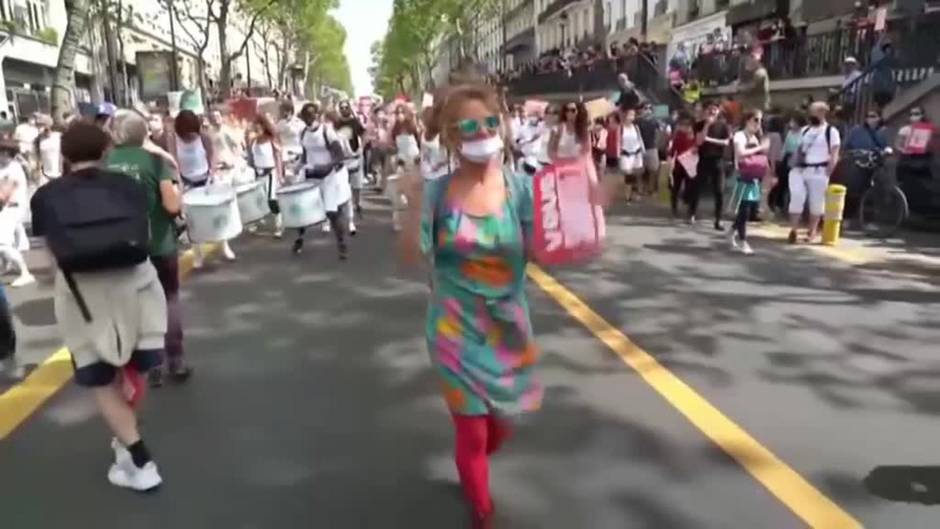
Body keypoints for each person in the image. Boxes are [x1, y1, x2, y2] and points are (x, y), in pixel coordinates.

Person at [399, 83, 543, 529]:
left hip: (508, 329)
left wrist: (582, 211)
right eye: (470, 126)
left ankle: (472, 461)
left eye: (491, 123)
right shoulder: (439, 194)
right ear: (451, 137)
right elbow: (411, 255)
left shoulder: (521, 188)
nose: (483, 133)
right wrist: (412, 206)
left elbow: (539, 250)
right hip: (454, 330)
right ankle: (482, 511)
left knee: (497, 425)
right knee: (473, 430)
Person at [31, 121, 167, 491]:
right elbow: (146, 238)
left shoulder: (45, 196)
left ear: (63, 156)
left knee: (102, 379)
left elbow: (44, 265)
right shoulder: (129, 187)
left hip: (81, 299)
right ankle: (128, 444)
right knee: (139, 369)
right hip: (138, 288)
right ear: (106, 151)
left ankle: (139, 459)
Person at [105, 110, 189, 388]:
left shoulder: (104, 164)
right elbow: (171, 206)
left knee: (138, 305)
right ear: (143, 133)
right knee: (169, 299)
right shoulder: (154, 161)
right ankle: (175, 359)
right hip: (160, 244)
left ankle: (150, 362)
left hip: (122, 248)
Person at [168, 109, 236, 265]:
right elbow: (173, 162)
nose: (190, 136)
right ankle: (197, 252)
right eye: (186, 133)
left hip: (206, 179)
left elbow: (212, 155)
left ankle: (224, 245)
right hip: (187, 182)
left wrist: (212, 174)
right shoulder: (173, 139)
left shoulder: (204, 137)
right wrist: (178, 182)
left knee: (215, 214)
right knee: (192, 219)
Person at [295, 102, 349, 259]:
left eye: (310, 116)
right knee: (304, 210)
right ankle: (299, 239)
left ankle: (341, 243)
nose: (307, 119)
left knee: (332, 212)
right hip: (310, 175)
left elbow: (339, 155)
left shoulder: (327, 131)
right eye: (305, 116)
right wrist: (298, 167)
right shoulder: (303, 133)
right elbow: (305, 155)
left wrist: (328, 166)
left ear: (317, 115)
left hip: (327, 177)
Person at [788, 102, 841, 243]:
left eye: (813, 112)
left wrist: (829, 171)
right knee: (797, 197)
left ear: (822, 113)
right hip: (802, 169)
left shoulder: (831, 131)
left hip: (819, 170)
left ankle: (812, 231)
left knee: (816, 203)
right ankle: (793, 230)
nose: (810, 115)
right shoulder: (805, 130)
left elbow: (835, 153)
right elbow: (798, 149)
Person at [731, 110, 770, 255]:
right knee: (744, 210)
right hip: (742, 176)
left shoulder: (756, 137)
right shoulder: (740, 135)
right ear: (747, 120)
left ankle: (732, 230)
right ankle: (743, 241)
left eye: (760, 120)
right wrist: (760, 148)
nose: (758, 123)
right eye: (755, 119)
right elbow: (740, 153)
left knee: (747, 209)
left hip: (754, 177)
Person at [0, 140, 35, 287]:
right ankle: (7, 266)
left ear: (6, 153)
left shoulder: (13, 169)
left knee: (2, 243)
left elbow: (3, 195)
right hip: (6, 208)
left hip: (12, 208)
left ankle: (25, 273)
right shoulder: (4, 167)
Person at [246, 113, 285, 237]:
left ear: (264, 126)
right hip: (258, 174)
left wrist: (280, 174)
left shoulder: (272, 140)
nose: (256, 128)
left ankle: (279, 224)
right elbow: (251, 158)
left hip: (271, 173)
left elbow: (278, 157)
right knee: (258, 199)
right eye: (255, 125)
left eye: (259, 125)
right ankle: (255, 221)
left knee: (271, 199)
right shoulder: (253, 141)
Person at [695, 102, 731, 230]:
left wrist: (709, 140)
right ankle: (692, 212)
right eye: (710, 109)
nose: (712, 112)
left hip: (718, 161)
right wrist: (707, 125)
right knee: (697, 186)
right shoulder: (699, 124)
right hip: (703, 160)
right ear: (705, 111)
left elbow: (726, 142)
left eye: (715, 109)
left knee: (719, 191)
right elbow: (699, 141)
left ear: (718, 111)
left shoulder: (723, 126)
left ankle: (718, 219)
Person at [334, 100, 367, 233]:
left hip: (355, 156)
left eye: (346, 107)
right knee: (344, 185)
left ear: (349, 108)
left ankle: (357, 202)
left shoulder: (355, 122)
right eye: (341, 107)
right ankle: (347, 206)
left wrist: (361, 148)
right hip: (343, 158)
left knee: (356, 184)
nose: (344, 109)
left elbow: (364, 134)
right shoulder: (337, 123)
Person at [895, 106, 936, 211]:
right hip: (907, 159)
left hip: (923, 160)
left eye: (917, 114)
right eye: (912, 114)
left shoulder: (929, 128)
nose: (914, 117)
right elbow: (898, 145)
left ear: (922, 115)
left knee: (924, 184)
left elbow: (934, 144)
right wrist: (905, 150)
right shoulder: (905, 129)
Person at [669, 113, 698, 222]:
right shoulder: (678, 136)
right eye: (683, 125)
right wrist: (670, 163)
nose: (685, 128)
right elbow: (672, 151)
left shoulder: (696, 137)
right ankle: (674, 207)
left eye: (687, 125)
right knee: (675, 187)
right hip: (679, 165)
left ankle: (691, 211)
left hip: (692, 166)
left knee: (691, 188)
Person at [619, 107, 647, 203]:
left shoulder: (635, 127)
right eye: (630, 115)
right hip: (625, 153)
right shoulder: (621, 128)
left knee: (637, 173)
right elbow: (618, 141)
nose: (632, 117)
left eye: (633, 115)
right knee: (628, 173)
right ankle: (628, 195)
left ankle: (637, 192)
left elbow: (640, 139)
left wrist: (643, 151)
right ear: (625, 116)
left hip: (636, 152)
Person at [637, 103, 661, 196]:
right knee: (639, 171)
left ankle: (650, 189)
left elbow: (661, 132)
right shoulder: (638, 121)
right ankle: (640, 189)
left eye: (649, 108)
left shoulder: (655, 121)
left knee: (653, 170)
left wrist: (658, 144)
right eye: (645, 108)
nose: (647, 110)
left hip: (652, 148)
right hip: (640, 149)